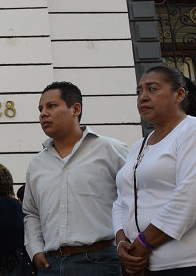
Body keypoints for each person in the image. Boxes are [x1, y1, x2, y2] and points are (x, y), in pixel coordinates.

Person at [112, 66, 196, 275]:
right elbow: (121, 200)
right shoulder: (138, 146)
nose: (143, 97)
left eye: (152, 89)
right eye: (139, 92)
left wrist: (143, 244)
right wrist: (122, 242)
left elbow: (193, 196)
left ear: (179, 94)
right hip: (145, 267)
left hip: (191, 264)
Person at [23, 81, 128, 275]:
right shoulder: (37, 164)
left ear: (75, 109)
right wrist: (36, 250)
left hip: (101, 261)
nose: (43, 114)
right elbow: (31, 213)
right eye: (40, 109)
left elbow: (134, 198)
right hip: (51, 265)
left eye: (51, 106)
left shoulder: (111, 151)